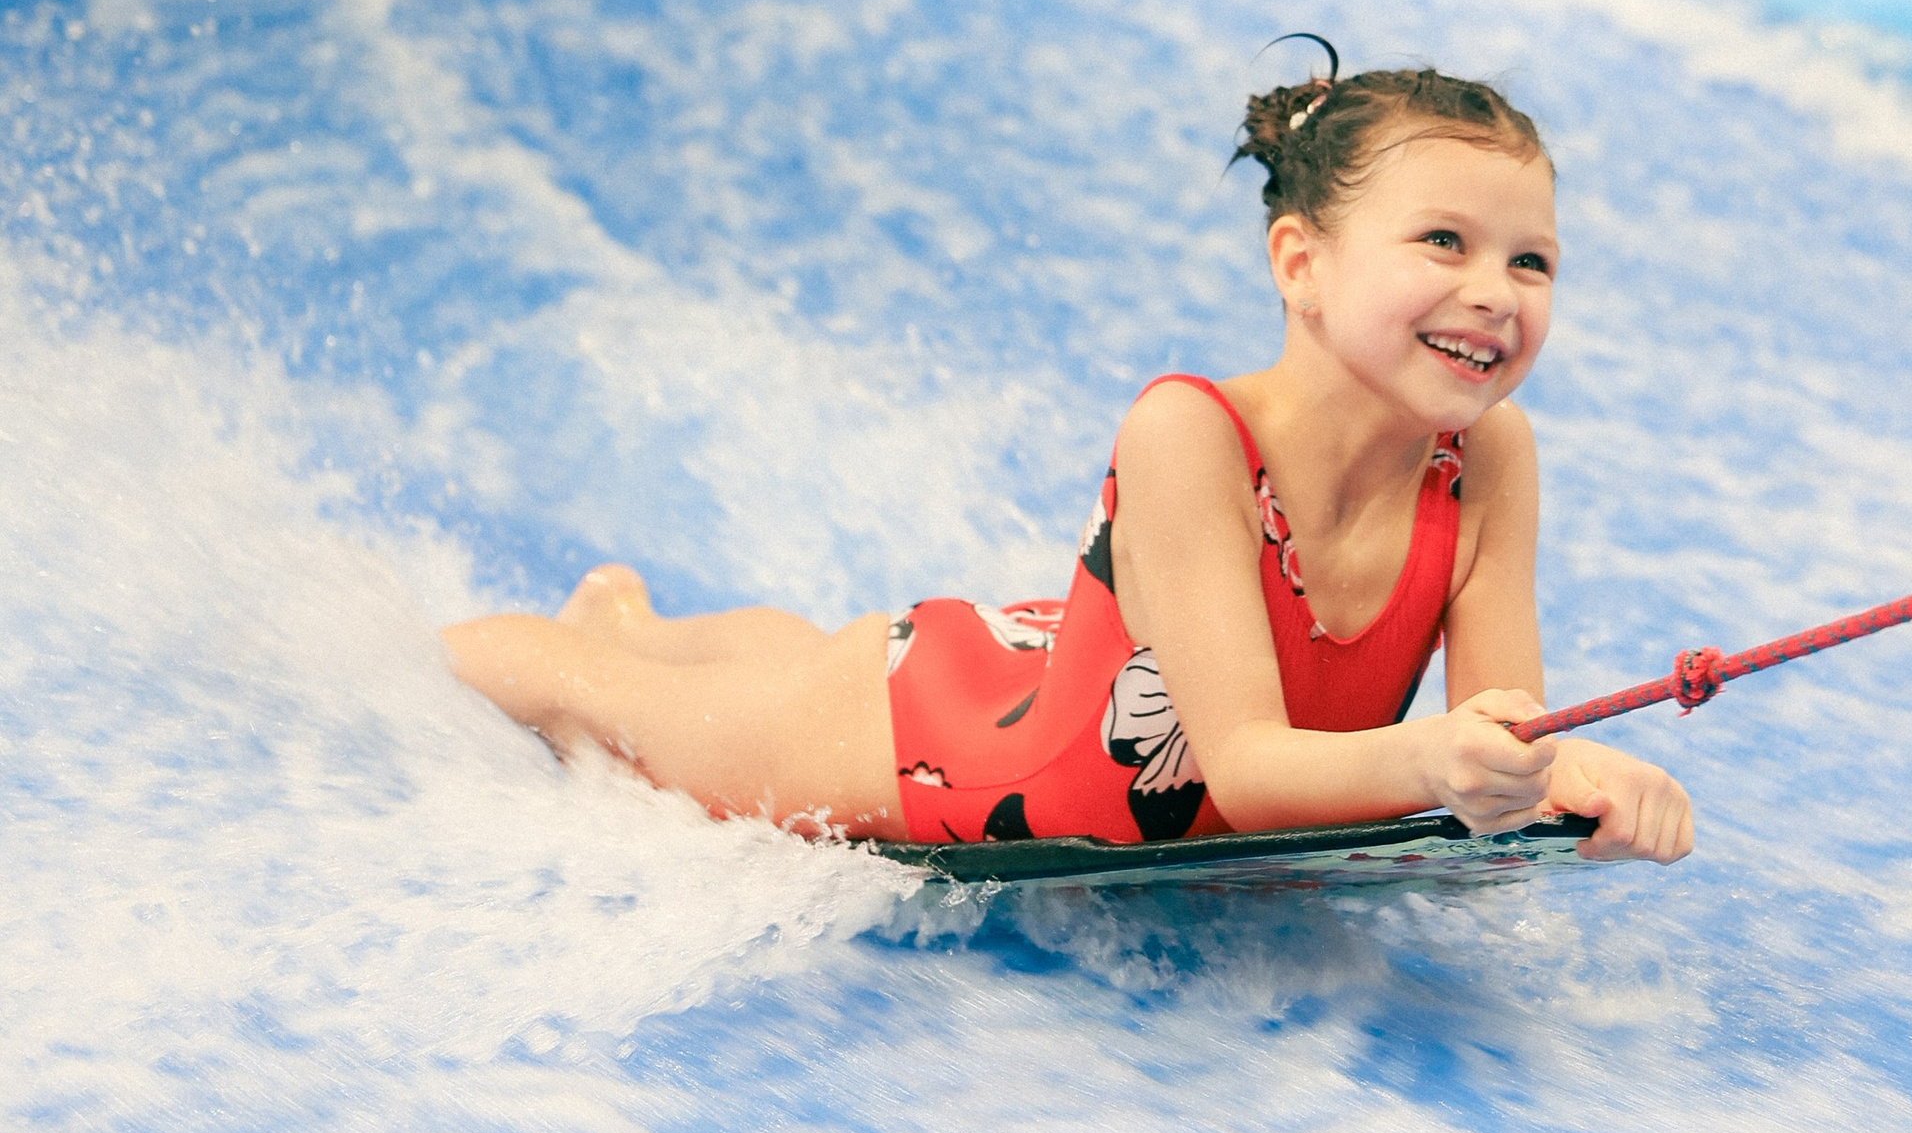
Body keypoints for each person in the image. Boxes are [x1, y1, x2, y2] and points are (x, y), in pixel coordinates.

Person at [442, 57, 1694, 866]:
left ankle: (641, 617)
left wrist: (1575, 769)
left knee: (800, 662)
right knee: (610, 711)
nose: (1494, 293)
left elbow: (1498, 728)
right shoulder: (1188, 432)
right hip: (957, 761)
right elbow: (1251, 775)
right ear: (1300, 266)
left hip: (1052, 671)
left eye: (1531, 261)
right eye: (1444, 242)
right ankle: (484, 641)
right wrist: (1437, 760)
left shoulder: (1489, 458)